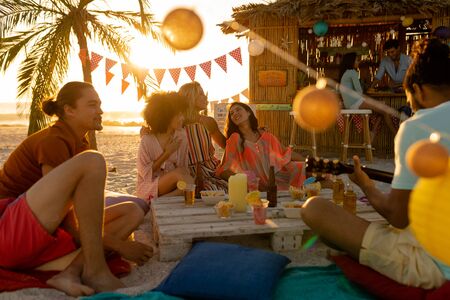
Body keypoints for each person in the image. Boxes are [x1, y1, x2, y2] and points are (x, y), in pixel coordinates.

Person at [301, 39, 450, 289]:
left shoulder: (417, 126)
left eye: (409, 98)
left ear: (419, 90)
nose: (412, 107)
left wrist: (366, 186)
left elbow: (399, 218)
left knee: (314, 208)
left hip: (436, 266)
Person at [0, 82, 152, 296]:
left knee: (132, 211)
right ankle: (96, 271)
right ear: (69, 110)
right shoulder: (54, 140)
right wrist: (119, 245)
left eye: (99, 104)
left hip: (40, 234)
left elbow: (76, 215)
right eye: (92, 105)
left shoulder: (79, 143)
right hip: (9, 233)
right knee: (93, 160)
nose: (100, 110)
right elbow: (68, 223)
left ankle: (72, 271)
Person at [216, 102, 305, 190]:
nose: (235, 113)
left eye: (238, 109)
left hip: (273, 179)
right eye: (231, 113)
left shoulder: (265, 135)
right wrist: (245, 181)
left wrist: (306, 161)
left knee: (300, 166)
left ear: (249, 112)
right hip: (253, 184)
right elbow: (224, 168)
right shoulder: (235, 138)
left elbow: (284, 152)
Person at [136, 92, 193, 201]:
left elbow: (183, 167)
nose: (182, 118)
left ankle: (159, 202)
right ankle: (157, 202)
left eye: (183, 114)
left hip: (173, 185)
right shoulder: (147, 140)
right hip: (149, 186)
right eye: (179, 115)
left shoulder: (181, 136)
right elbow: (145, 174)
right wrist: (167, 153)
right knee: (182, 177)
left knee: (187, 178)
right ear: (167, 116)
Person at [178, 81, 228, 191]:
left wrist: (252, 132)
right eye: (201, 94)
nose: (205, 97)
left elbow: (227, 146)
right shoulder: (176, 123)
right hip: (184, 174)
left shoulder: (208, 121)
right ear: (189, 98)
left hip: (211, 171)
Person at [339, 52, 396, 135]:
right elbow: (359, 92)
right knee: (385, 109)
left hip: (350, 104)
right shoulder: (352, 72)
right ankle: (396, 135)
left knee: (382, 109)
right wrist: (364, 79)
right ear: (351, 62)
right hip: (356, 103)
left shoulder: (345, 73)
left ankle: (372, 134)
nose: (358, 62)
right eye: (357, 60)